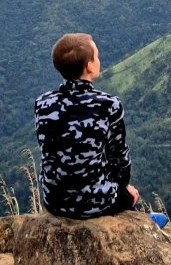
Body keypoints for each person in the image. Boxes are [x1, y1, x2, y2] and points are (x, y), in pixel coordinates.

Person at [34, 33, 140, 219]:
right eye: (97, 56)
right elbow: (119, 160)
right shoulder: (108, 105)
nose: (99, 60)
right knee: (130, 196)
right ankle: (144, 225)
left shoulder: (42, 103)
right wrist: (120, 187)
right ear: (89, 66)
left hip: (54, 201)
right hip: (93, 205)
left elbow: (50, 153)